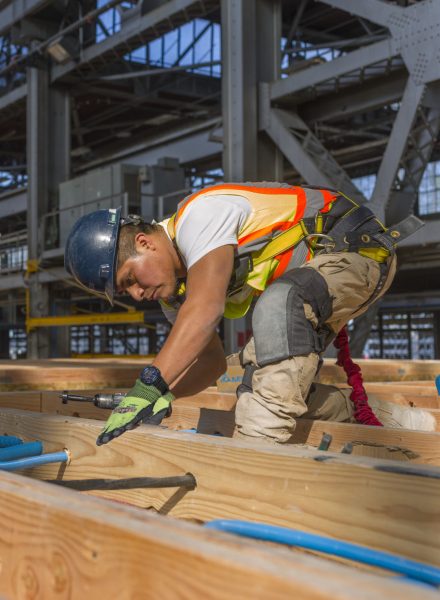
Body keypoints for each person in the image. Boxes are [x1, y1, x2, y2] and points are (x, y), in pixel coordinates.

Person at [64, 183, 422, 446]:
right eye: (126, 292)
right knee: (258, 382)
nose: (137, 294)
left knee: (280, 306)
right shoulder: (176, 295)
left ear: (144, 242)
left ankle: (255, 456)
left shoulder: (199, 217)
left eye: (130, 279)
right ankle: (403, 423)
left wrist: (147, 386)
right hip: (316, 282)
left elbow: (206, 310)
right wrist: (165, 397)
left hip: (359, 253)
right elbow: (211, 366)